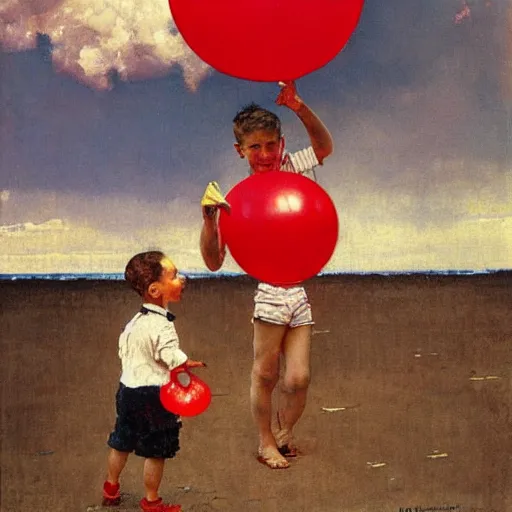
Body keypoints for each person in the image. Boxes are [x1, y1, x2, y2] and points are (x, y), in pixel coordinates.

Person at [200, 81, 333, 469]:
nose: (264, 154)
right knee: (266, 374)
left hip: (299, 289)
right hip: (270, 293)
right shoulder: (235, 199)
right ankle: (265, 442)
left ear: (281, 142)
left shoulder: (294, 167)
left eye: (270, 144)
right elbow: (213, 260)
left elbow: (324, 148)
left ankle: (284, 430)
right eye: (254, 147)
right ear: (239, 150)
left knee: (299, 379)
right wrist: (209, 221)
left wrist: (297, 104)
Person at [102, 251, 206, 511]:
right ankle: (151, 501)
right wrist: (184, 363)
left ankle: (111, 486)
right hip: (154, 395)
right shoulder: (162, 325)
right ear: (155, 290)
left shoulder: (134, 322)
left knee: (122, 440)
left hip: (127, 390)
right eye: (174, 276)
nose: (181, 280)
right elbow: (169, 354)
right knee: (155, 450)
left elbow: (123, 349)